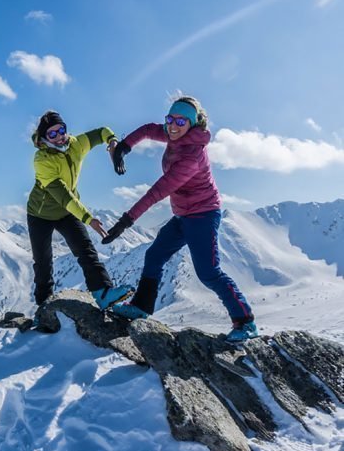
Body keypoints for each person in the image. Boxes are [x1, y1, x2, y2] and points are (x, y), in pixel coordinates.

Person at [103, 96, 258, 342]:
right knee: (153, 256)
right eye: (170, 119)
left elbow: (157, 192)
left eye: (181, 121)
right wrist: (124, 146)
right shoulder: (173, 134)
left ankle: (245, 321)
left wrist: (126, 221)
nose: (173, 126)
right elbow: (146, 130)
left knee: (208, 273)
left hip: (203, 215)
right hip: (184, 214)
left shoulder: (191, 156)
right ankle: (141, 307)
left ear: (192, 124)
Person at [27, 110, 133, 311]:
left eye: (61, 130)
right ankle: (44, 308)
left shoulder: (76, 144)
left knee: (86, 251)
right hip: (40, 215)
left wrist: (111, 142)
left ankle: (103, 293)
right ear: (44, 137)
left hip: (66, 212)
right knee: (43, 262)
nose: (59, 137)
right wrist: (88, 218)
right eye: (52, 134)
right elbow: (64, 196)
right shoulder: (42, 160)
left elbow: (102, 131)